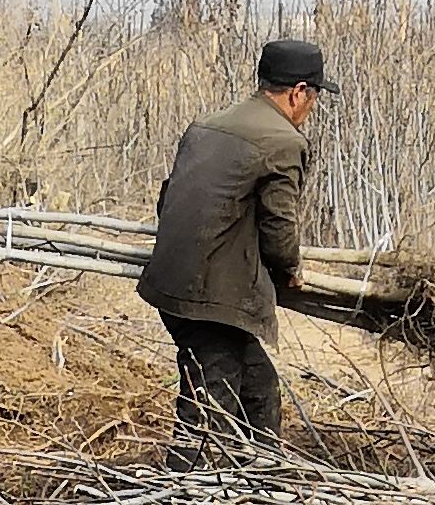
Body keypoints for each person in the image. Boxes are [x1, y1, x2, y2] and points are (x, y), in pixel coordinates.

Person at [138, 38, 325, 457]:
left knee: (258, 387)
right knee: (211, 410)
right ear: (298, 93)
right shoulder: (284, 141)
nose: (310, 111)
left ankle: (260, 481)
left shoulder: (207, 124)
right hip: (212, 296)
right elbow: (279, 230)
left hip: (170, 282)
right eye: (312, 98)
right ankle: (187, 501)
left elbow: (167, 200)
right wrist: (291, 271)